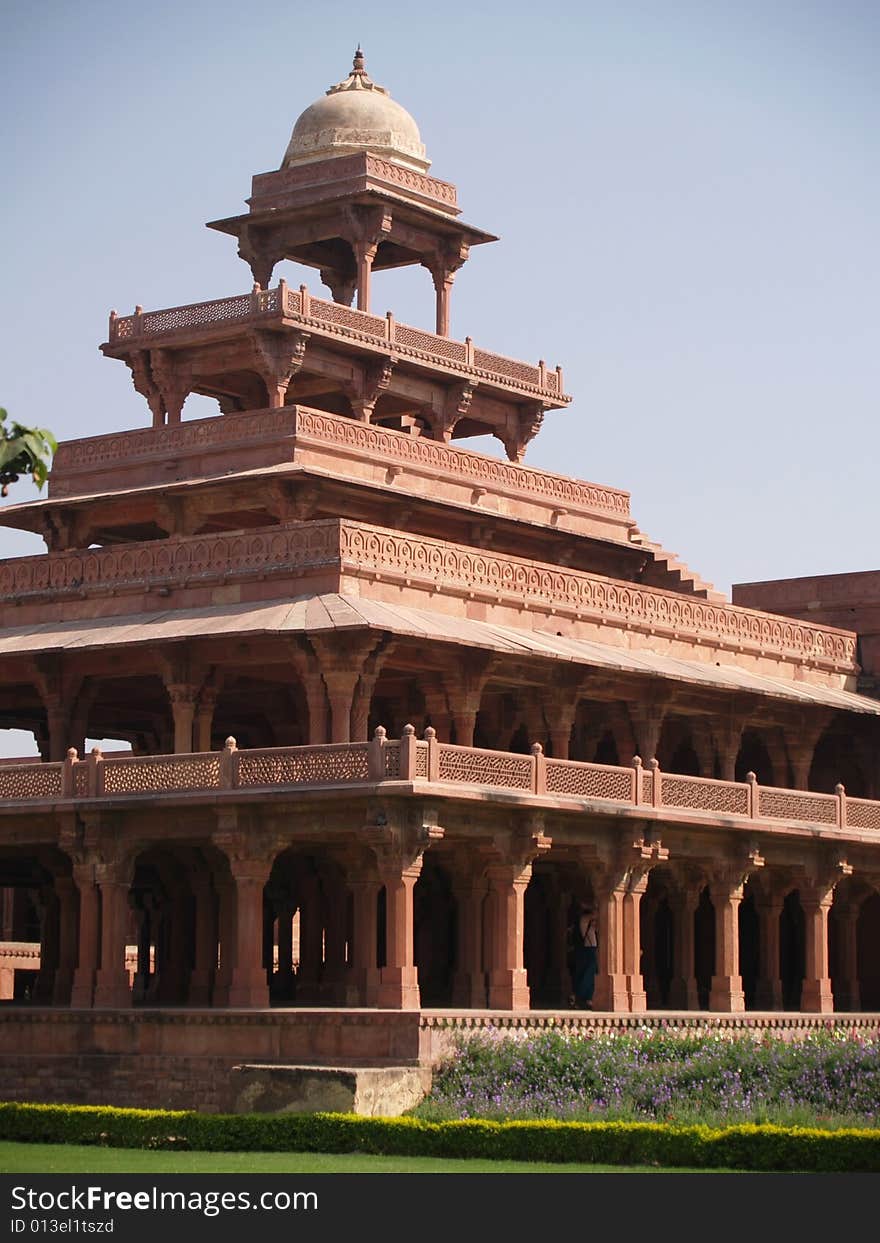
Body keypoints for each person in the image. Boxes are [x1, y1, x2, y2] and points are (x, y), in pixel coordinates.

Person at [571, 902, 598, 1010]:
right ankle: (581, 996)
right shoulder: (585, 918)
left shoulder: (589, 920)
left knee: (590, 973)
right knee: (589, 974)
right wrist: (593, 905)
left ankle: (587, 997)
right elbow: (598, 914)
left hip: (591, 948)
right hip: (588, 949)